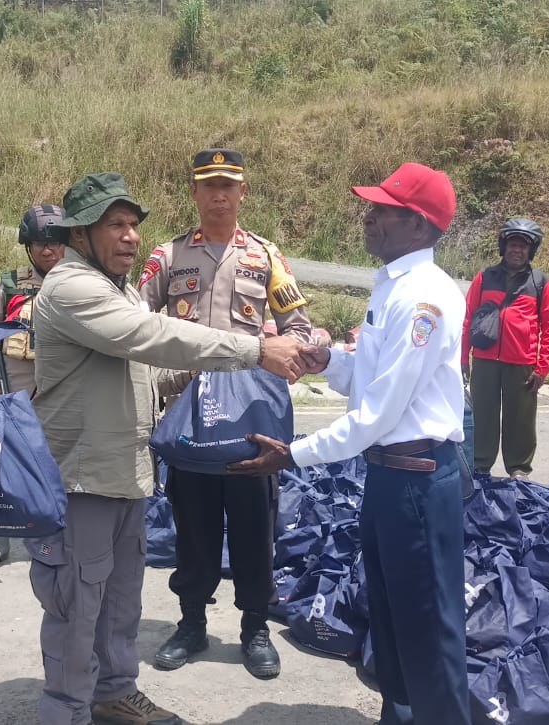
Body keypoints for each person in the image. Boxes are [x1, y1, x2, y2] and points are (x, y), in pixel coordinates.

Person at [30, 171, 307, 725]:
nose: (130, 236)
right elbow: (153, 337)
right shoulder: (71, 286)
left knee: (120, 599)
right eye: (115, 224)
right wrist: (254, 351)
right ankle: (66, 710)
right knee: (78, 605)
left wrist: (214, 389)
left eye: (133, 224)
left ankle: (113, 690)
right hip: (82, 478)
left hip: (127, 473)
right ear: (79, 234)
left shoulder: (122, 287)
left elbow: (148, 370)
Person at [229, 162, 472, 725]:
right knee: (390, 613)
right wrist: (329, 362)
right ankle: (401, 712)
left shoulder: (423, 300)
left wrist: (295, 453)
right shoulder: (392, 286)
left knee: (429, 625)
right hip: (389, 476)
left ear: (416, 225)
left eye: (380, 210)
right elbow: (374, 376)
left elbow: (381, 412)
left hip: (416, 478)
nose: (367, 217)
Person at [139, 148, 312, 679]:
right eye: (208, 185)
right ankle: (191, 623)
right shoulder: (167, 257)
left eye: (228, 185)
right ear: (193, 193)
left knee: (254, 526)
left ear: (242, 193)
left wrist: (280, 348)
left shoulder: (265, 256)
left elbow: (300, 328)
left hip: (248, 421)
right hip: (190, 417)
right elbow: (131, 322)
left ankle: (255, 626)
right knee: (193, 525)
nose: (218, 194)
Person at [0, 203, 66, 570]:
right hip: (14, 396)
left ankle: (59, 536)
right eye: (40, 242)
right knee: (3, 468)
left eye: (56, 242)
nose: (48, 250)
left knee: (61, 467)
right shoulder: (10, 284)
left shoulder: (82, 280)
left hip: (64, 393)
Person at [460, 217, 549, 479]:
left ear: (531, 251)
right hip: (485, 359)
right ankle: (480, 465)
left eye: (523, 246)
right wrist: (463, 359)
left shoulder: (542, 284)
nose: (517, 250)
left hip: (522, 364)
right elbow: (468, 318)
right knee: (483, 415)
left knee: (521, 420)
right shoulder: (484, 278)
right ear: (503, 247)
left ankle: (519, 468)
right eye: (513, 244)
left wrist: (542, 367)